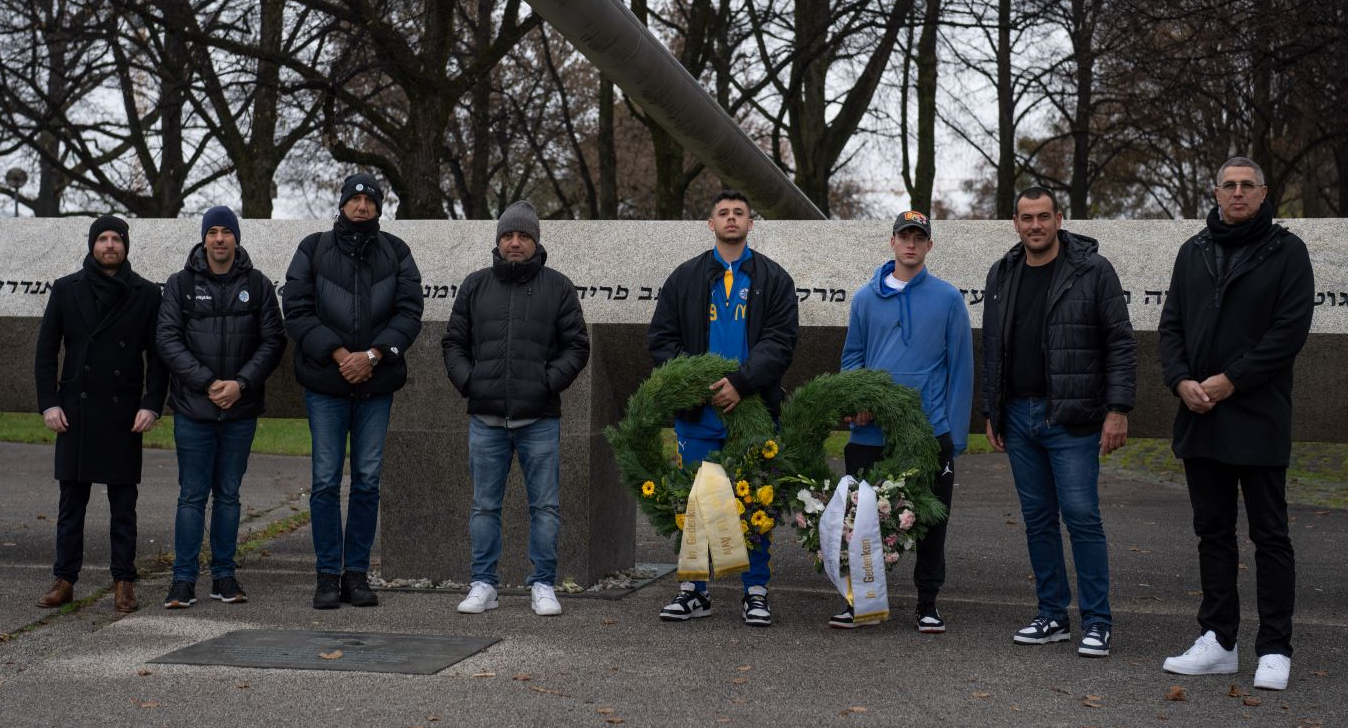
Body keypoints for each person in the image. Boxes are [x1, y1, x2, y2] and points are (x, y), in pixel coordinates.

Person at [1158, 157, 1314, 691]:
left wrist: (1232, 380)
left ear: (1264, 193)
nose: (1239, 193)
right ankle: (1219, 640)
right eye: (1230, 185)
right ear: (1217, 192)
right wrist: (1181, 381)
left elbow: (1289, 331)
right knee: (1213, 534)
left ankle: (1274, 647)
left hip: (1258, 414)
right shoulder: (1194, 251)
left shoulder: (1287, 251)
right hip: (1200, 414)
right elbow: (1172, 326)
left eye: (1248, 185)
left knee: (1270, 536)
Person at [981, 187, 1135, 658]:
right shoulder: (1002, 272)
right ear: (1015, 222)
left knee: (1082, 517)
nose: (1035, 225)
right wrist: (992, 410)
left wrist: (1118, 409)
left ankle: (1097, 622)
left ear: (1059, 219)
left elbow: (1120, 342)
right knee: (1038, 521)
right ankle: (1052, 615)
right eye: (1027, 217)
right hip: (1017, 416)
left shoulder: (1093, 270)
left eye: (1043, 216)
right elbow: (993, 348)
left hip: (1072, 417)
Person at [647, 189, 799, 627]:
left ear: (751, 223)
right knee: (694, 503)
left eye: (739, 213)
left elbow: (781, 341)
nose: (731, 218)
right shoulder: (684, 278)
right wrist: (698, 385)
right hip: (698, 414)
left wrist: (741, 383)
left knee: (755, 500)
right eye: (723, 213)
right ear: (710, 223)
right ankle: (694, 591)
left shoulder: (775, 278)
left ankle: (755, 591)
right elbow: (662, 339)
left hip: (753, 411)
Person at [442, 200, 591, 617]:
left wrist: (546, 383)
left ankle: (543, 584)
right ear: (498, 240)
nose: (515, 242)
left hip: (539, 418)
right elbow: (453, 342)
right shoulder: (475, 285)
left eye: (523, 236)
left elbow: (577, 346)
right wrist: (470, 382)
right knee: (484, 506)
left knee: (544, 507)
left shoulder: (558, 287)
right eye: (508, 235)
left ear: (535, 242)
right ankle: (483, 584)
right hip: (485, 418)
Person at [283, 173, 424, 609]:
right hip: (326, 384)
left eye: (370, 200)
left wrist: (374, 356)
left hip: (376, 385)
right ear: (342, 203)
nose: (362, 206)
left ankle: (356, 575)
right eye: (355, 199)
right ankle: (327, 575)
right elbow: (297, 309)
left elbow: (409, 312)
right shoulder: (313, 248)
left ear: (379, 207)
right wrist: (341, 355)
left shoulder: (397, 251)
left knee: (366, 482)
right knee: (325, 482)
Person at [838, 210, 973, 632]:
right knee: (862, 521)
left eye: (919, 237)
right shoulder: (864, 299)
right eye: (904, 236)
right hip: (870, 434)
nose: (911, 244)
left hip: (928, 433)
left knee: (931, 521)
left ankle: (927, 603)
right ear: (892, 242)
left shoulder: (948, 299)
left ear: (929, 245)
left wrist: (953, 437)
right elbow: (852, 358)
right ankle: (860, 600)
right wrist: (857, 400)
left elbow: (961, 368)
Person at [33, 215, 169, 613]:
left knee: (123, 506)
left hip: (123, 412)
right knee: (71, 504)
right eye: (103, 238)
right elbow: (45, 352)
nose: (110, 245)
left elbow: (158, 358)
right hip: (74, 410)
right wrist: (49, 403)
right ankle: (64, 579)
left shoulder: (146, 293)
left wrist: (151, 404)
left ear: (126, 245)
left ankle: (124, 581)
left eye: (116, 239)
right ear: (92, 244)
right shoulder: (66, 288)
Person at [156, 206, 286, 609]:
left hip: (239, 411)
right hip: (193, 408)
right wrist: (209, 383)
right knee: (192, 496)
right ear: (204, 238)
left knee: (228, 495)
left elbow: (273, 341)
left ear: (236, 238)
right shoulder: (180, 284)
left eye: (225, 232)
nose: (219, 239)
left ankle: (224, 576)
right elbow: (167, 340)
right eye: (212, 232)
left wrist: (240, 384)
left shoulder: (258, 285)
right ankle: (183, 580)